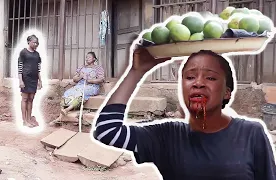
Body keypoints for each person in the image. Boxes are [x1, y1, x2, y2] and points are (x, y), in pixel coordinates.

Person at [92, 48, 276, 180]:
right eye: (190, 77)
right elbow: (107, 131)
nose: (198, 83)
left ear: (227, 92)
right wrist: (136, 72)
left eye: (210, 77)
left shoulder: (251, 133)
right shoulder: (167, 136)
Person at [49, 52, 105, 126]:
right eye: (86, 57)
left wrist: (89, 80)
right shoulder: (82, 67)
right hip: (79, 86)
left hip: (92, 86)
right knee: (68, 93)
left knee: (80, 93)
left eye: (89, 57)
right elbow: (74, 79)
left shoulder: (98, 68)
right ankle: (63, 113)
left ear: (94, 59)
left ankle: (66, 111)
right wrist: (80, 76)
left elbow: (101, 79)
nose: (87, 58)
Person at [18, 34, 42, 128]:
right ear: (29, 42)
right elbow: (20, 68)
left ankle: (29, 119)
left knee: (31, 99)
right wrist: (20, 80)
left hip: (34, 79)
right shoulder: (23, 53)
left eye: (37, 43)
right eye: (34, 42)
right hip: (25, 78)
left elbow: (38, 69)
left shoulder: (37, 55)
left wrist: (40, 81)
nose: (36, 44)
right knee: (24, 99)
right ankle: (24, 120)